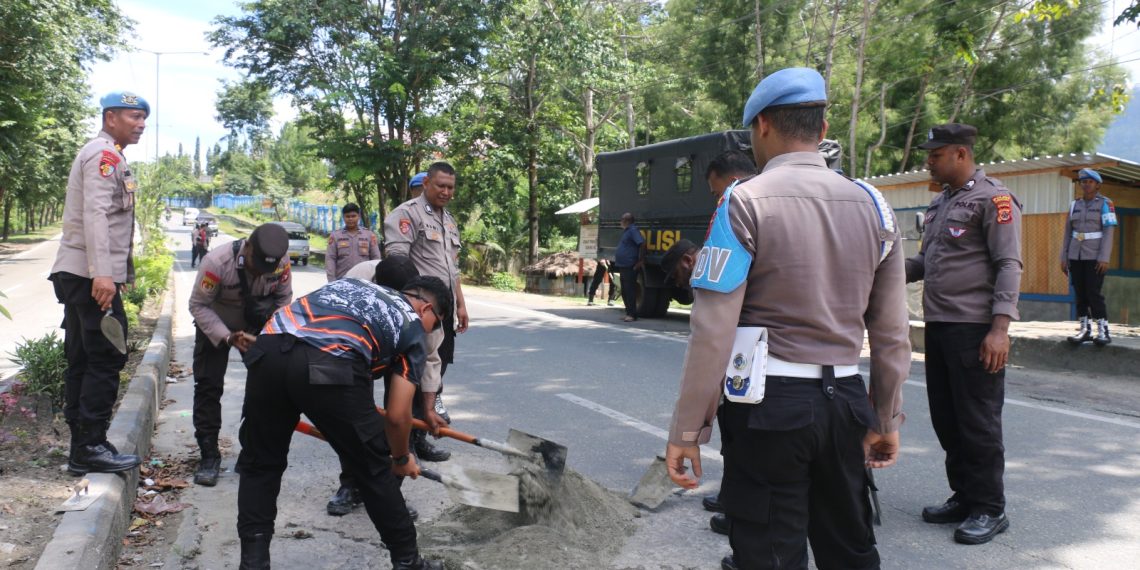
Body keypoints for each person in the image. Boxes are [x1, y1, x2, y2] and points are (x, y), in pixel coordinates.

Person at [665, 68, 910, 570]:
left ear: (762, 127)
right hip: (845, 404)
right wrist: (885, 418)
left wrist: (688, 431)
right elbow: (891, 334)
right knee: (850, 548)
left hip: (768, 409)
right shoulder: (874, 206)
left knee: (771, 552)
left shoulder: (742, 202)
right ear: (821, 131)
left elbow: (713, 332)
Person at [235, 275, 450, 570]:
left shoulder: (353, 283)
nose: (430, 334)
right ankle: (409, 563)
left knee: (260, 464)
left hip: (268, 349)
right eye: (436, 325)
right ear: (427, 310)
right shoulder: (411, 325)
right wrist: (400, 457)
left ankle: (253, 563)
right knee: (374, 468)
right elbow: (399, 416)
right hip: (331, 362)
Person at [906, 123, 1023, 545]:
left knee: (978, 422)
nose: (928, 161)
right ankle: (965, 495)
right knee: (947, 420)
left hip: (976, 330)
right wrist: (882, 270)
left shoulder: (995, 199)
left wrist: (1000, 329)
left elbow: (1009, 264)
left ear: (959, 153)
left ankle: (991, 508)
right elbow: (923, 264)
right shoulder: (940, 204)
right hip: (939, 328)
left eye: (935, 155)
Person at [48, 91, 149, 475]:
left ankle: (84, 446)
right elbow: (96, 215)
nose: (140, 125)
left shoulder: (108, 154)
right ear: (110, 118)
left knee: (83, 356)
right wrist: (103, 273)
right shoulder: (104, 156)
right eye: (133, 117)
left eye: (143, 119)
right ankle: (90, 445)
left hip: (78, 272)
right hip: (89, 275)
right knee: (107, 354)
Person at [326, 255, 433, 518]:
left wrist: (429, 407)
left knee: (401, 416)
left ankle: (390, 491)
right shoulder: (357, 279)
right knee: (355, 420)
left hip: (401, 350)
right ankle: (350, 485)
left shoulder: (429, 304)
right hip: (356, 349)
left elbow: (431, 359)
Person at [188, 223, 293, 486]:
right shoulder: (216, 262)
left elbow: (283, 302)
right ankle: (209, 455)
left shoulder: (281, 264)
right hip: (215, 325)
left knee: (265, 388)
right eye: (256, 263)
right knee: (208, 387)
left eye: (265, 267)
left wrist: (265, 337)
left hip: (257, 326)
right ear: (247, 246)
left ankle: (252, 453)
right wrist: (226, 336)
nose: (259, 270)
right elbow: (198, 305)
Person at [384, 162, 467, 462]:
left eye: (451, 187)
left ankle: (418, 438)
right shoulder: (407, 214)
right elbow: (397, 265)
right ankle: (396, 445)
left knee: (434, 372)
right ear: (427, 183)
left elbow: (452, 269)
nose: (446, 191)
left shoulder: (450, 221)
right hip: (416, 314)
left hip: (442, 312)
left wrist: (460, 304)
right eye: (440, 185)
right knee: (403, 379)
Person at [1061, 168, 1116, 346]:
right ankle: (1084, 330)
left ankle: (1103, 331)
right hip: (1076, 256)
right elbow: (1068, 233)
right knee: (1081, 294)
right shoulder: (1074, 205)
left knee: (1094, 293)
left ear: (1097, 185)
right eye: (1083, 182)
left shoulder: (1106, 204)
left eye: (1090, 182)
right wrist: (1064, 257)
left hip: (1095, 256)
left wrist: (1104, 257)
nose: (1086, 184)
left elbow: (1108, 232)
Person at [326, 202, 382, 281]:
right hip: (341, 280)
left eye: (353, 216)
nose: (350, 219)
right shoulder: (335, 236)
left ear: (358, 216)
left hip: (364, 281)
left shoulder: (369, 235)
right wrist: (331, 280)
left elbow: (376, 259)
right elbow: (330, 259)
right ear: (343, 217)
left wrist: (375, 280)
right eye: (347, 216)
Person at [614, 213, 646, 322]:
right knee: (624, 290)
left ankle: (632, 314)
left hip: (630, 265)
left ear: (627, 221)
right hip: (623, 265)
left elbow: (642, 243)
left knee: (630, 290)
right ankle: (628, 312)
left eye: (622, 219)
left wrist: (640, 261)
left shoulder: (633, 230)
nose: (620, 221)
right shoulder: (627, 231)